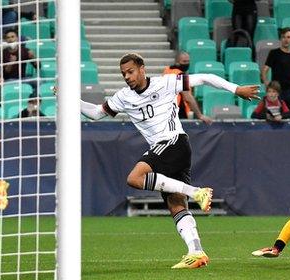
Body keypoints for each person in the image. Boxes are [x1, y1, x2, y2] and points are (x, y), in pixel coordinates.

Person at [79, 53, 259, 269]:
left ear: (142, 69)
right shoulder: (123, 97)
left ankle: (196, 192)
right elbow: (97, 113)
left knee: (135, 178)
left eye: (131, 71)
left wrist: (235, 89)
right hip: (167, 149)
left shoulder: (165, 83)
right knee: (176, 205)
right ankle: (196, 252)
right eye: (123, 74)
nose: (127, 77)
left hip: (174, 142)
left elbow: (206, 77)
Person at [162, 51, 212, 124]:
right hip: (178, 113)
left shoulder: (167, 71)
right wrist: (200, 115)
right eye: (184, 61)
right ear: (177, 62)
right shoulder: (181, 75)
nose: (186, 64)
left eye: (188, 61)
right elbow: (188, 97)